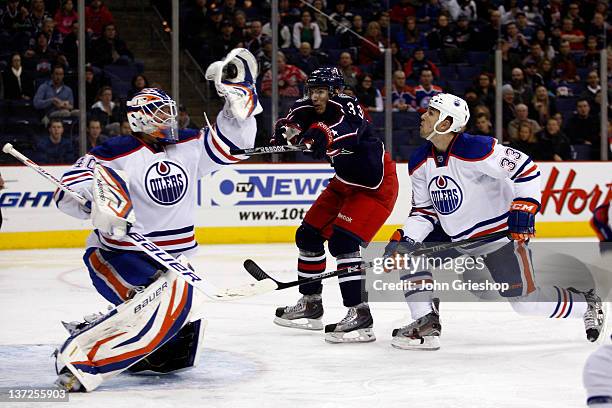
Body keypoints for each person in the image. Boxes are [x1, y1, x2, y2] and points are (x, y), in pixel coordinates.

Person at [52, 49, 261, 392]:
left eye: (170, 112)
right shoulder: (113, 153)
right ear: (140, 119)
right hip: (119, 255)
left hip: (173, 261)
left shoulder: (189, 144)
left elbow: (235, 146)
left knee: (175, 349)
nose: (170, 120)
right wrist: (95, 202)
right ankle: (77, 361)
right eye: (160, 114)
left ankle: (109, 331)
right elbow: (67, 191)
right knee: (155, 304)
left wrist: (237, 105)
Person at [382, 93, 604, 350]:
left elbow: (526, 169)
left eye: (431, 112)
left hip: (498, 237)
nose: (423, 115)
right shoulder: (419, 161)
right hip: (456, 236)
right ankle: (425, 322)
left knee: (525, 304)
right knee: (411, 255)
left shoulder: (477, 148)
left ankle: (587, 303)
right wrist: (407, 238)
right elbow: (425, 212)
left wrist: (524, 208)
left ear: (445, 123)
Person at [271, 67, 399, 343]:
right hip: (344, 181)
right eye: (312, 90)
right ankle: (311, 303)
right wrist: (285, 133)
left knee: (343, 243)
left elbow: (344, 130)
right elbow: (293, 120)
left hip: (374, 186)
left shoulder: (349, 106)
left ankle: (360, 315)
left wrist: (319, 135)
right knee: (307, 235)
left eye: (321, 91)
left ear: (336, 91)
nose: (315, 97)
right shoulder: (309, 106)